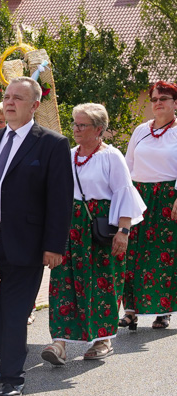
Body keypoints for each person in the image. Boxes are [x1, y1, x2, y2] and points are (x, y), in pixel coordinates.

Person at [0, 76, 73, 396]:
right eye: (6, 96)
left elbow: (60, 199)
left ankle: (12, 376)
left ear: (34, 106)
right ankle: (8, 361)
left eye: (18, 97)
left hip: (27, 243)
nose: (10, 102)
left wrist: (54, 246)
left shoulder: (52, 144)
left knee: (15, 313)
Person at [41, 104, 145, 364]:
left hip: (101, 228)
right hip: (70, 227)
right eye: (74, 124)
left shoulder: (112, 156)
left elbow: (124, 194)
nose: (75, 129)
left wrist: (123, 231)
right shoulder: (69, 155)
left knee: (102, 282)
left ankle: (102, 340)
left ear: (99, 129)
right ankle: (59, 343)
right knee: (63, 281)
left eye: (82, 125)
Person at [121, 81, 177, 330]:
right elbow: (127, 165)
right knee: (132, 253)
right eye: (154, 99)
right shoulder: (141, 130)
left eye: (164, 99)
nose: (158, 103)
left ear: (175, 103)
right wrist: (124, 197)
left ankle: (163, 310)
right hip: (139, 195)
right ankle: (130, 310)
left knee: (162, 256)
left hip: (167, 197)